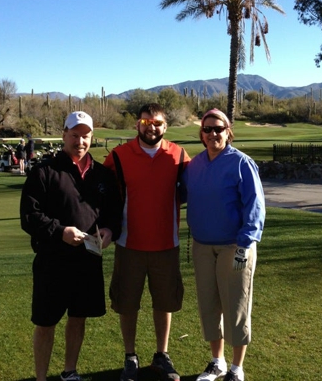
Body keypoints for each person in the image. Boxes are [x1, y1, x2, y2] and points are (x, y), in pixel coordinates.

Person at [20, 111, 123, 381]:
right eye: (74, 135)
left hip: (87, 260)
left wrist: (110, 230)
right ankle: (41, 378)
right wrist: (59, 231)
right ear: (64, 135)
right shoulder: (44, 171)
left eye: (85, 136)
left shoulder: (102, 175)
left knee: (78, 318)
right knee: (45, 322)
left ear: (92, 138)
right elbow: (30, 216)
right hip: (52, 259)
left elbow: (113, 213)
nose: (80, 141)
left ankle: (69, 372)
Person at [103, 103, 190, 381]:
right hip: (129, 245)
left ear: (165, 126)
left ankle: (161, 355)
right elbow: (102, 196)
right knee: (127, 303)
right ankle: (130, 356)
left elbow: (195, 189)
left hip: (167, 244)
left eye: (157, 123)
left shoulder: (178, 155)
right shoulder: (118, 155)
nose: (151, 127)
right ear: (137, 124)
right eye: (145, 122)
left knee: (164, 303)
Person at [182, 109, 265, 381]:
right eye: (207, 129)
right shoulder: (193, 166)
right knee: (208, 305)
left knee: (236, 306)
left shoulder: (241, 163)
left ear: (228, 131)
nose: (213, 133)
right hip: (202, 246)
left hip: (234, 246)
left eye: (218, 128)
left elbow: (255, 207)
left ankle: (236, 368)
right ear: (201, 134)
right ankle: (217, 362)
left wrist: (245, 245)